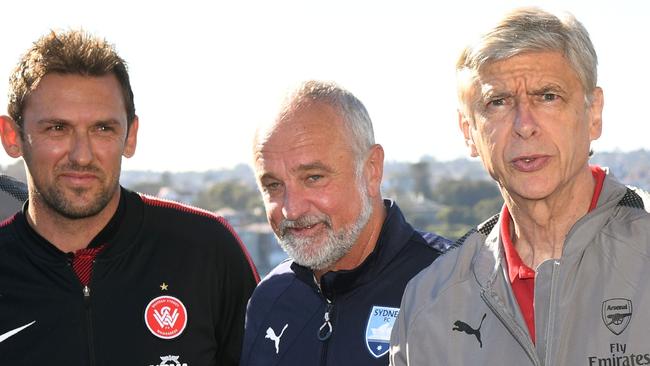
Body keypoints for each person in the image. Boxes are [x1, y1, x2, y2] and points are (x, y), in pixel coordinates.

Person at [390, 7, 650, 365]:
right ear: (469, 132)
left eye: (548, 96)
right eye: (498, 102)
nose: (524, 125)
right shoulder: (428, 306)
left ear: (593, 113)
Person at [0, 30, 259, 365]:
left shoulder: (206, 249)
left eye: (102, 129)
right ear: (12, 136)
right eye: (57, 129)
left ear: (130, 136)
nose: (82, 155)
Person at [240, 80, 451, 366]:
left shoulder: (450, 285)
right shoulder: (271, 299)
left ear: (371, 170)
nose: (291, 209)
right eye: (274, 186)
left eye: (313, 178)